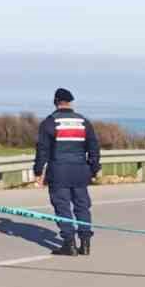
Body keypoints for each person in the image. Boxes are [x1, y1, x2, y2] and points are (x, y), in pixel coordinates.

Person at [33, 87, 101, 256]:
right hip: (80, 170)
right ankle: (85, 244)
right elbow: (93, 147)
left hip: (58, 171)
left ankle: (69, 244)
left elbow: (43, 150)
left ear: (55, 102)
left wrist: (38, 170)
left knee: (62, 207)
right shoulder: (83, 122)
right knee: (82, 206)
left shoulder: (49, 122)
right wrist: (93, 168)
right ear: (71, 102)